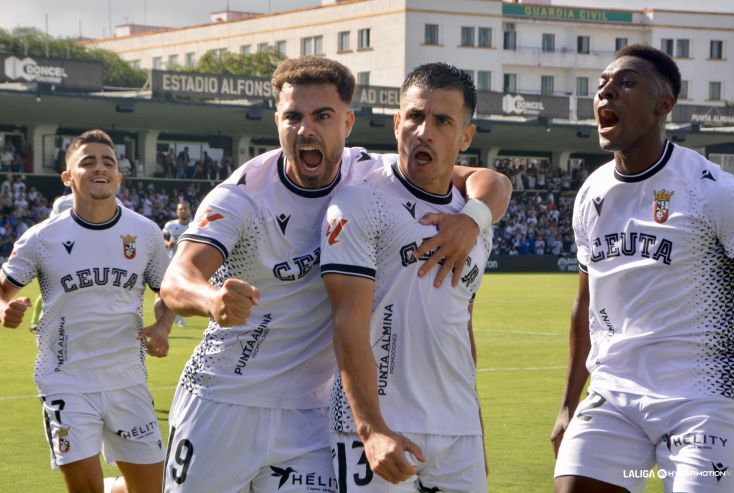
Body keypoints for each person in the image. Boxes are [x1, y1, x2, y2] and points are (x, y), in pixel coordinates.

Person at [159, 56, 511, 493]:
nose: (306, 130)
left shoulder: (370, 171)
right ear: (277, 121)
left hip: (312, 417)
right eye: (294, 116)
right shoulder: (243, 196)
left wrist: (472, 220)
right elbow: (177, 279)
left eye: (322, 116)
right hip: (224, 398)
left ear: (347, 123)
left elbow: (492, 181)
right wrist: (211, 299)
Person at [551, 44, 734, 493]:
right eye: (602, 85)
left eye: (627, 83)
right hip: (614, 393)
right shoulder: (591, 193)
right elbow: (585, 302)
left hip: (701, 397)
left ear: (664, 105)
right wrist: (567, 405)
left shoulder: (712, 192)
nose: (606, 92)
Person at [321, 62, 492, 492]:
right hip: (381, 428)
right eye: (415, 116)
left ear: (466, 136)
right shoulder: (359, 203)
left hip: (458, 432)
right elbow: (347, 322)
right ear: (397, 124)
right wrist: (371, 428)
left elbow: (461, 324)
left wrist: (475, 426)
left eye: (443, 121)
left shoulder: (476, 223)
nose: (424, 132)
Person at [0, 129, 175, 493]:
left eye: (108, 162)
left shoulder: (145, 233)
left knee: (152, 490)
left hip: (126, 381)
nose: (100, 168)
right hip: (66, 381)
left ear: (119, 176)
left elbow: (168, 292)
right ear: (67, 177)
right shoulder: (41, 238)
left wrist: (163, 325)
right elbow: (3, 289)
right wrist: (5, 308)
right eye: (88, 162)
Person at [162, 202, 191, 327]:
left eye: (185, 209)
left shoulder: (194, 226)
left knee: (185, 292)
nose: (182, 211)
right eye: (180, 209)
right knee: (176, 290)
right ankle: (178, 317)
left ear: (189, 210)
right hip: (172, 263)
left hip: (188, 264)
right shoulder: (170, 225)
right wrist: (168, 244)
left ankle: (177, 315)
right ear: (177, 212)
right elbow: (163, 239)